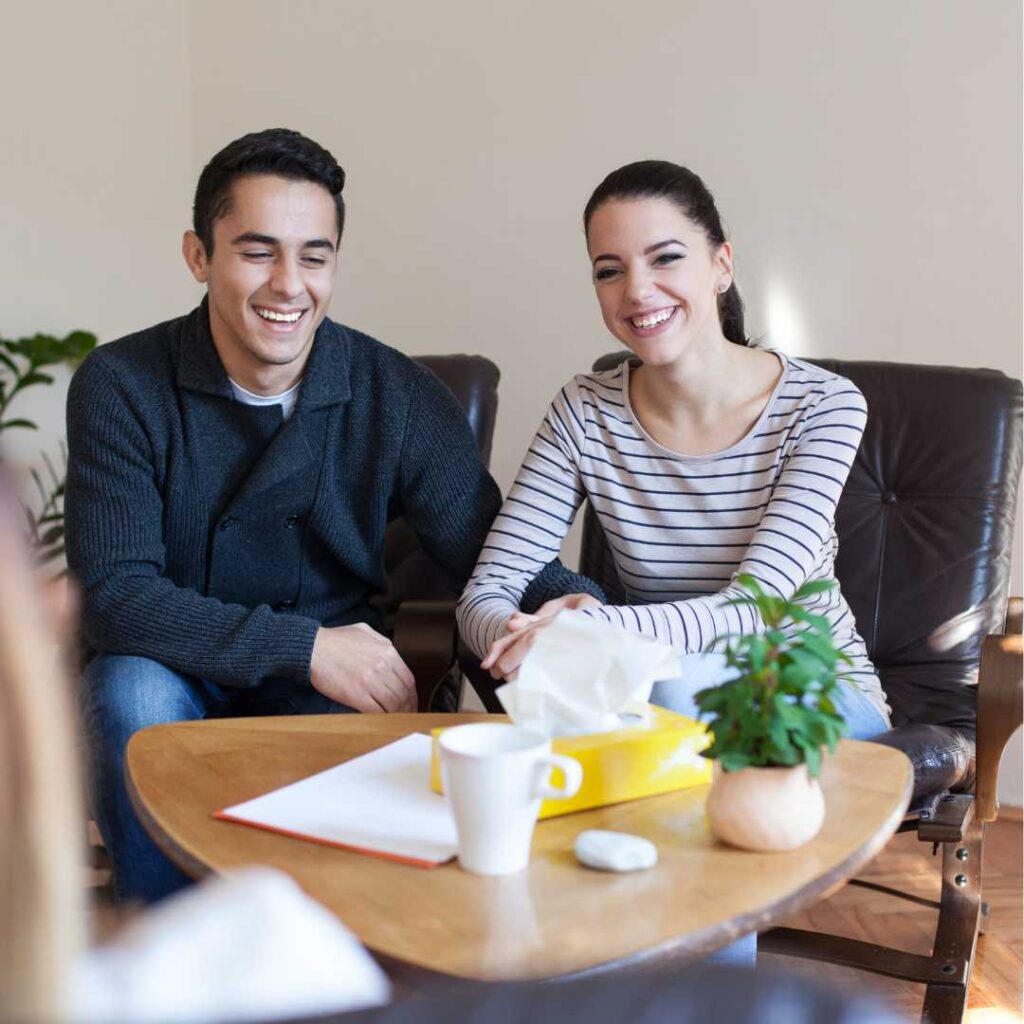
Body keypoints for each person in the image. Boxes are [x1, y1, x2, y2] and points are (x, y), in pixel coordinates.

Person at [456, 161, 892, 965]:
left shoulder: (824, 405)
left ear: (721, 264)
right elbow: (484, 593)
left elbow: (755, 606)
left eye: (666, 258)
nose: (637, 290)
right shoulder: (585, 409)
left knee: (676, 692)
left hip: (807, 696)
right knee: (617, 721)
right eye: (609, 270)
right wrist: (530, 634)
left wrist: (596, 625)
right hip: (649, 701)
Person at [66, 128, 515, 905]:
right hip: (178, 660)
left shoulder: (395, 394)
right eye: (256, 251)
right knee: (127, 693)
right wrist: (302, 645)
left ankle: (323, 953)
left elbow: (494, 556)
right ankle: (175, 949)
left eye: (314, 255)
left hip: (329, 683)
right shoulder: (122, 383)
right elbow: (114, 595)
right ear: (198, 256)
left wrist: (585, 617)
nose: (288, 284)